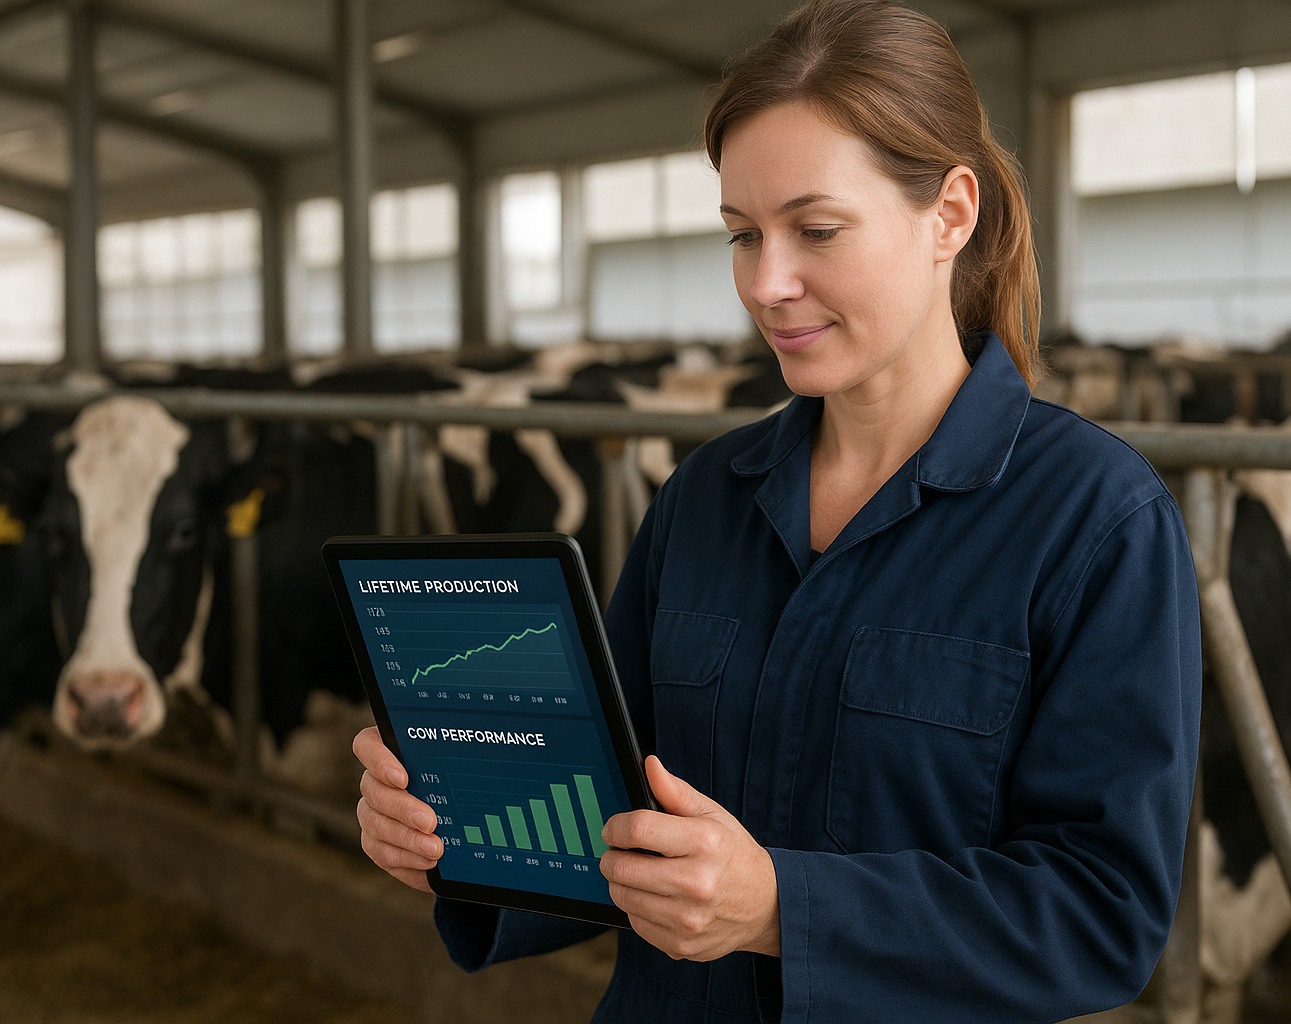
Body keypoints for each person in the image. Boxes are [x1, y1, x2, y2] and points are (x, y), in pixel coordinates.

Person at [353, 1, 1203, 1020]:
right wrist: (457, 828)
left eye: (817, 229)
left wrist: (783, 910)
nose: (768, 283)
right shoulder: (705, 496)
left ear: (951, 213)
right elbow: (610, 806)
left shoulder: (1096, 520)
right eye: (742, 234)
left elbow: (1102, 914)